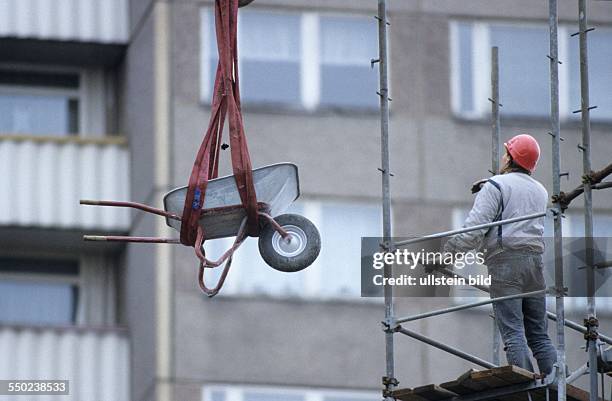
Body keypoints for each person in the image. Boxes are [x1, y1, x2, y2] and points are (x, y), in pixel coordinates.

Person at [443, 133, 557, 376]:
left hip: (506, 261)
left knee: (513, 331)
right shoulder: (541, 191)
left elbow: (473, 232)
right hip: (535, 264)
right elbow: (517, 206)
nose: (503, 156)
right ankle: (556, 384)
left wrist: (445, 256)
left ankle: (525, 387)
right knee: (539, 336)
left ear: (510, 157)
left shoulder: (495, 186)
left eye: (506, 152)